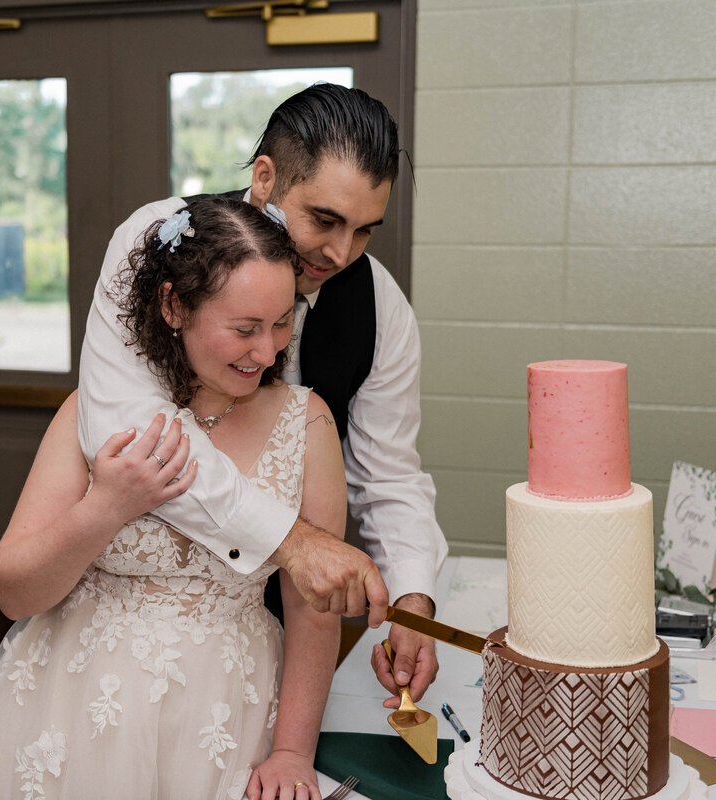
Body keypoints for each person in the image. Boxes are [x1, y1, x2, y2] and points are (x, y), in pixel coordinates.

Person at [0, 197, 345, 800]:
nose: (269, 352)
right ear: (173, 305)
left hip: (225, 713)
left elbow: (312, 606)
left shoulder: (309, 424)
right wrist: (106, 507)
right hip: (73, 707)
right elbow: (13, 593)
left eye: (281, 323)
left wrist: (293, 750)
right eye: (244, 329)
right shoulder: (92, 415)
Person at [78, 83, 448, 705]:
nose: (340, 252)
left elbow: (389, 475)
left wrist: (414, 597)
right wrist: (294, 542)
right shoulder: (155, 243)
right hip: (138, 620)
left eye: (364, 231)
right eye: (325, 220)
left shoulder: (382, 307)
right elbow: (131, 435)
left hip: (293, 627)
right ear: (266, 176)